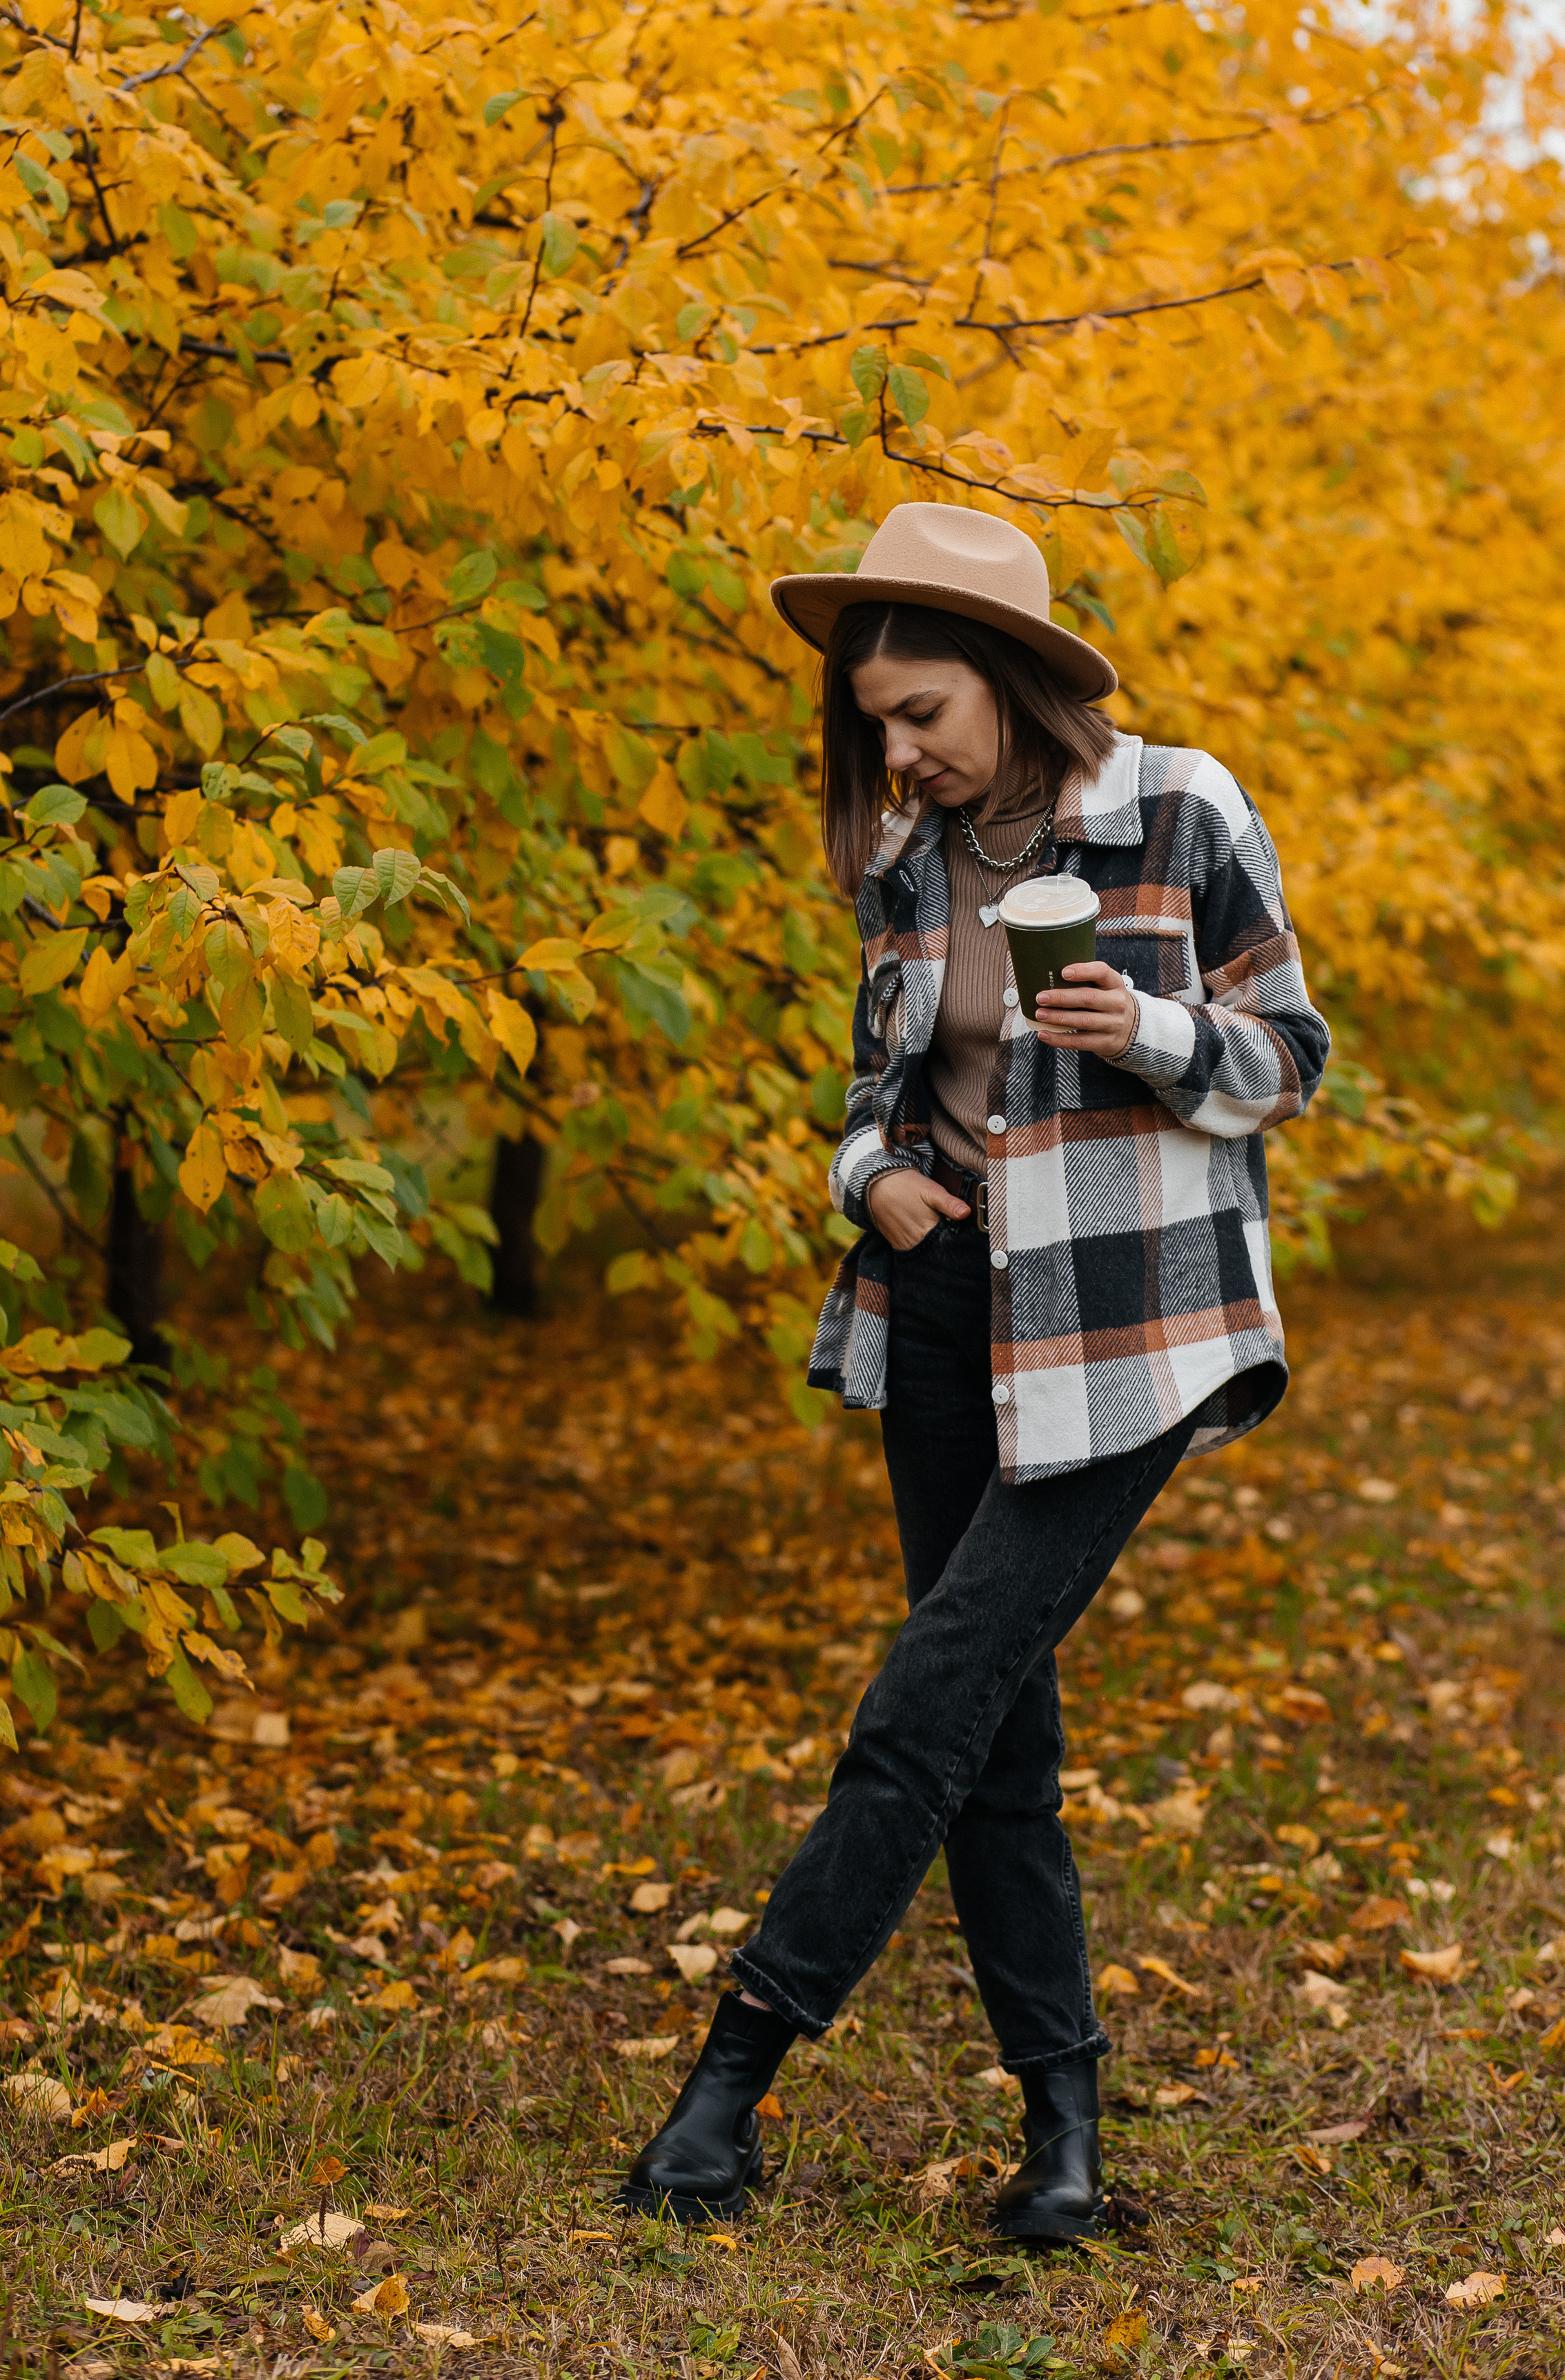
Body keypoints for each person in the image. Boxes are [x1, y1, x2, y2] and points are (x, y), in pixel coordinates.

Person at [615, 500, 1330, 2239]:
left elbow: (1291, 1056)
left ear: (1007, 683)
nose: (896, 748)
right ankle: (1063, 2137)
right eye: (874, 721)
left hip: (1123, 1327)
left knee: (925, 1701)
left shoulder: (1180, 805)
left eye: (921, 711)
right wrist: (878, 1186)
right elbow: (866, 1101)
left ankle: (725, 2089)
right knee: (993, 1733)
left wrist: (1150, 1033)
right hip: (940, 1311)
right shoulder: (903, 867)